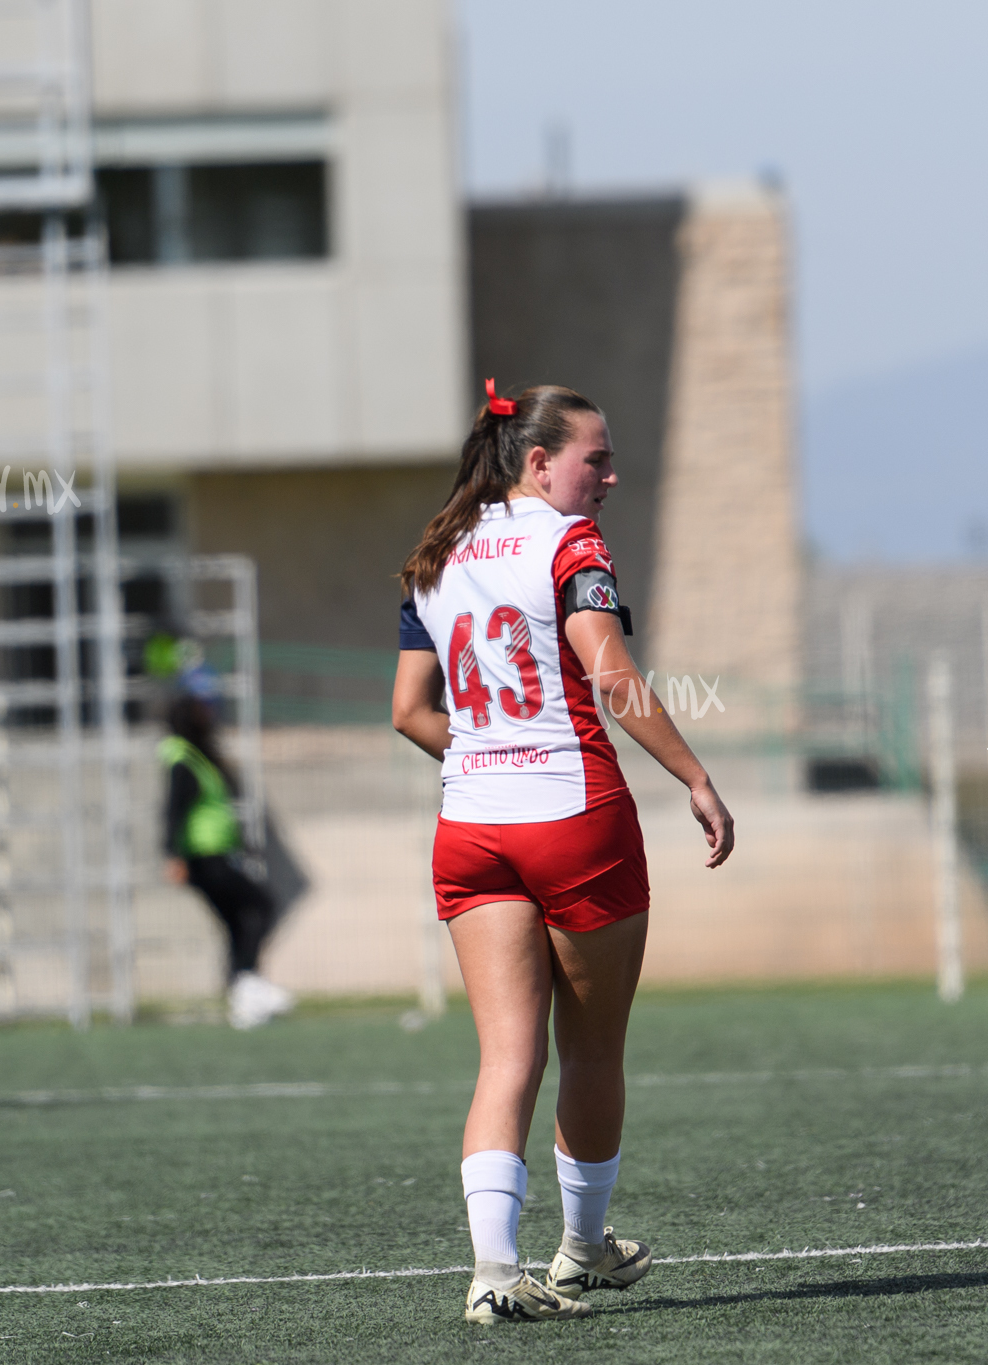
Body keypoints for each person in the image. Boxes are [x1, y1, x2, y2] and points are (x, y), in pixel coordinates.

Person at [392, 380, 735, 1324]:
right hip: (573, 817)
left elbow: (408, 711)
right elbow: (612, 676)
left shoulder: (439, 551)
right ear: (539, 463)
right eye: (597, 458)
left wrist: (485, 757)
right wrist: (695, 778)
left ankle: (494, 1274)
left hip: (470, 827)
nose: (611, 474)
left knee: (505, 1057)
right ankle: (582, 1249)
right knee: (591, 1050)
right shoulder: (570, 542)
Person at [160, 694, 294, 1030]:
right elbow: (174, 810)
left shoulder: (199, 756)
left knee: (237, 922)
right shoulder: (183, 760)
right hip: (205, 858)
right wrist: (172, 854)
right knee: (260, 905)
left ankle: (243, 994)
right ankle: (246, 984)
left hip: (217, 852)